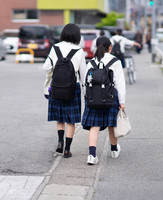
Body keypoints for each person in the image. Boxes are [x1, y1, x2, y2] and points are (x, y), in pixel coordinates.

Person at [43, 23, 87, 158]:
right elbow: (84, 75)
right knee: (71, 121)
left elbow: (46, 67)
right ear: (77, 36)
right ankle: (67, 150)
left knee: (60, 119)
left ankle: (60, 144)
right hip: (73, 89)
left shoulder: (55, 48)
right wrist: (86, 94)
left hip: (56, 87)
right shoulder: (79, 51)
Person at [82, 36, 126, 165]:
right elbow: (120, 83)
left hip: (93, 99)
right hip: (110, 97)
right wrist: (122, 101)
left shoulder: (91, 62)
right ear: (110, 47)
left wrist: (87, 98)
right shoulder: (115, 61)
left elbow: (85, 82)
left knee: (94, 127)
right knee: (111, 124)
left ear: (96, 47)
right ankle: (113, 150)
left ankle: (91, 155)